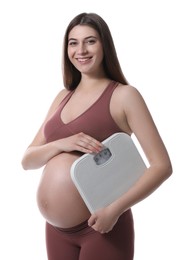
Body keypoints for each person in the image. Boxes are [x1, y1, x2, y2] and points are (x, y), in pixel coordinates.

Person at [21, 12, 172, 260]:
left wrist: (114, 211)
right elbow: (28, 160)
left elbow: (161, 166)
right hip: (56, 230)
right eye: (73, 42)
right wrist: (61, 144)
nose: (81, 49)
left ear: (105, 45)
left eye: (90, 41)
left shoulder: (124, 96)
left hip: (102, 226)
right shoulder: (62, 97)